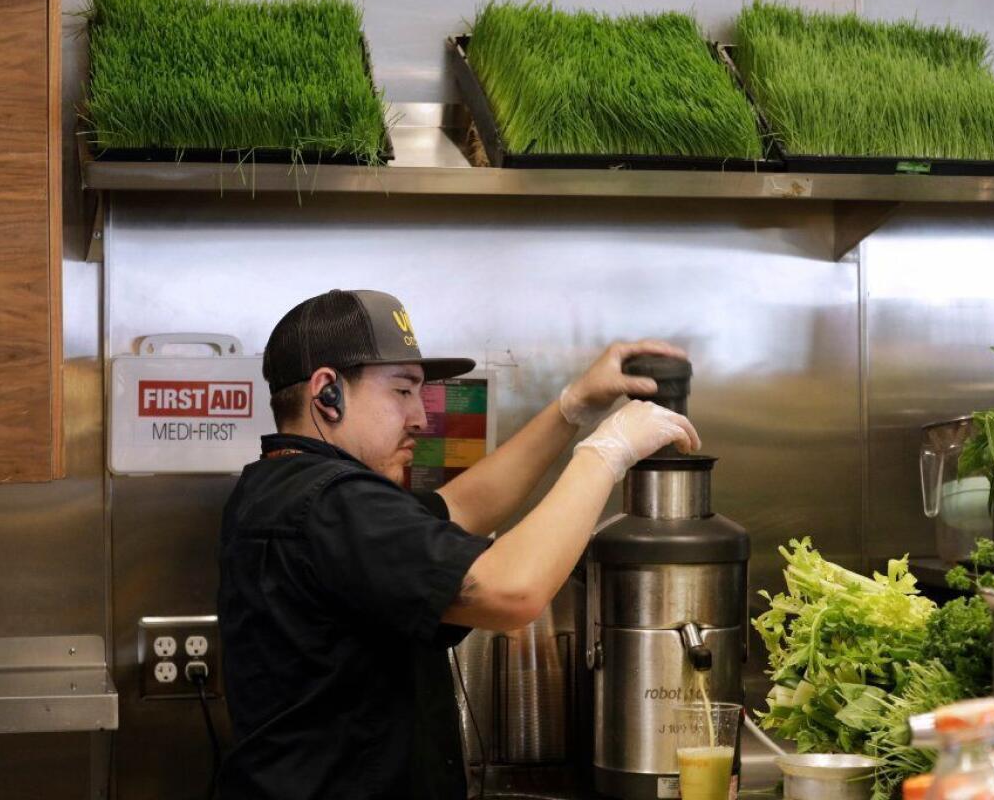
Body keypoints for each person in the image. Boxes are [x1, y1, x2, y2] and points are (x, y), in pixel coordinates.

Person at [217, 289, 699, 800]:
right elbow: (512, 593)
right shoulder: (332, 503)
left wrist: (571, 406)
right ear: (327, 392)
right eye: (402, 392)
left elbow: (463, 506)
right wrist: (606, 451)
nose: (421, 417)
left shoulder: (285, 488)